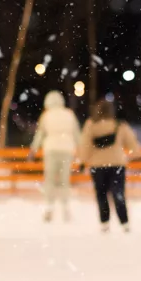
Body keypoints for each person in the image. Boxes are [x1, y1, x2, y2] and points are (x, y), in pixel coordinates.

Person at [77, 99, 140, 232]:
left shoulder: (91, 125)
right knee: (119, 193)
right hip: (117, 164)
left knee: (101, 194)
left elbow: (85, 145)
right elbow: (133, 144)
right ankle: (124, 223)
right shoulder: (119, 125)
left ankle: (104, 222)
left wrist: (82, 161)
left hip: (97, 165)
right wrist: (131, 156)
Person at [30, 91, 81, 222]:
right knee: (64, 180)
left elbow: (40, 134)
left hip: (51, 149)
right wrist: (81, 149)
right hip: (67, 149)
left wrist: (33, 150)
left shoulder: (46, 115)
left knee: (50, 180)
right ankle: (66, 208)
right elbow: (76, 134)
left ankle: (49, 208)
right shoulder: (69, 114)